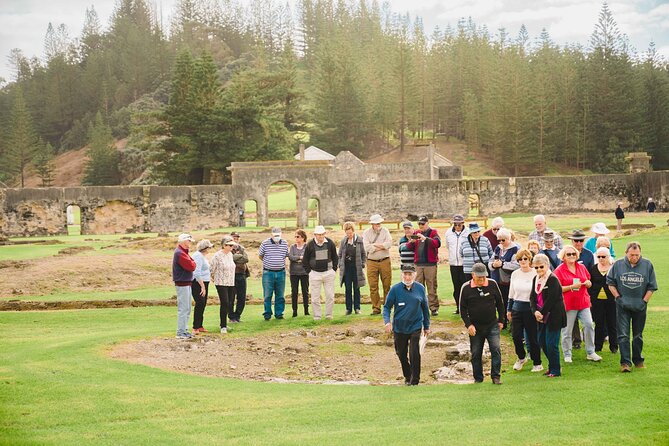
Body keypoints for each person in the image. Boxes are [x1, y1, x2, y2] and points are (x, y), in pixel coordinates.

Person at [607, 242, 658, 372]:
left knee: (638, 335)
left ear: (640, 253)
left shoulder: (647, 265)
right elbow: (610, 283)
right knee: (623, 335)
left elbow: (652, 286)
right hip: (623, 306)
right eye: (631, 255)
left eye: (637, 255)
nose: (634, 257)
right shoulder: (618, 265)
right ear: (626, 253)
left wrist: (644, 301)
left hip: (640, 306)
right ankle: (625, 363)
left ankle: (638, 360)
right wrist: (618, 298)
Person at [383, 264, 431, 386]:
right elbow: (387, 307)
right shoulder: (395, 289)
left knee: (414, 353)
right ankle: (407, 375)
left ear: (414, 275)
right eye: (405, 274)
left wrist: (426, 326)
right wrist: (387, 322)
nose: (407, 277)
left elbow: (425, 308)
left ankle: (415, 380)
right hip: (399, 327)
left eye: (410, 274)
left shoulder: (420, 288)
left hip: (415, 326)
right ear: (402, 275)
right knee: (401, 353)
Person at [553, 245, 602, 362]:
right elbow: (556, 288)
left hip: (583, 302)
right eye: (568, 254)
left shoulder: (581, 267)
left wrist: (588, 283)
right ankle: (567, 354)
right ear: (563, 256)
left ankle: (591, 352)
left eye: (573, 254)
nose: (571, 256)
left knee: (589, 324)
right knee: (567, 330)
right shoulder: (559, 270)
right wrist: (571, 287)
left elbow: (588, 279)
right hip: (568, 304)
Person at [459, 263, 505, 384]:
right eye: (479, 277)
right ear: (473, 275)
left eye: (484, 277)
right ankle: (478, 378)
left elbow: (500, 303)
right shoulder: (466, 288)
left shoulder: (492, 284)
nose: (482, 279)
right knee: (475, 353)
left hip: (492, 324)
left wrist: (501, 320)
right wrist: (469, 325)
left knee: (495, 349)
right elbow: (462, 310)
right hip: (476, 327)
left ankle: (496, 377)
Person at [530, 253, 567, 377]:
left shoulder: (552, 279)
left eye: (541, 267)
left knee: (551, 344)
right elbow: (532, 297)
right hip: (541, 316)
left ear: (547, 265)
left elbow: (551, 299)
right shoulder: (535, 279)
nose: (539, 270)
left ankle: (556, 370)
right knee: (542, 342)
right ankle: (552, 366)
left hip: (554, 316)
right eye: (536, 267)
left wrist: (541, 312)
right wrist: (535, 311)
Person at [507, 249, 543, 373]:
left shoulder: (535, 273)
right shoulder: (515, 274)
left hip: (530, 308)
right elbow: (511, 293)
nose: (523, 261)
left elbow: (538, 293)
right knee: (516, 336)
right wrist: (509, 309)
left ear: (529, 260)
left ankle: (537, 362)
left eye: (525, 259)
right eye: (520, 259)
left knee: (532, 338)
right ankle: (521, 357)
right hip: (517, 307)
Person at [405, 215, 441, 316]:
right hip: (418, 264)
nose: (421, 225)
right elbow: (409, 247)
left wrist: (425, 239)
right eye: (419, 224)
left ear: (427, 223)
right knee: (417, 286)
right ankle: (418, 307)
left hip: (430, 264)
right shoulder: (416, 233)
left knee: (431, 286)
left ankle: (433, 308)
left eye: (423, 224)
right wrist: (411, 242)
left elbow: (437, 243)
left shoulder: (433, 232)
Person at [303, 225, 338, 320]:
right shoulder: (310, 244)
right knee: (315, 297)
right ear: (315, 235)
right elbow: (305, 260)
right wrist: (309, 272)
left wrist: (334, 270)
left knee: (330, 296)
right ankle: (317, 316)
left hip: (328, 273)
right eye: (319, 235)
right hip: (315, 273)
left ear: (325, 234)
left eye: (322, 234)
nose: (321, 237)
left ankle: (329, 315)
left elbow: (335, 257)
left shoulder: (330, 243)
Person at [488, 228, 520, 328]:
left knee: (508, 301)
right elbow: (490, 261)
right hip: (497, 279)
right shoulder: (498, 248)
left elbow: (516, 265)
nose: (501, 242)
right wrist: (493, 265)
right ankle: (501, 320)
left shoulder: (515, 249)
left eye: (503, 240)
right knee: (498, 301)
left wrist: (502, 264)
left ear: (508, 238)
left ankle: (510, 321)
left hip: (508, 280)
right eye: (499, 240)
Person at [589, 247, 617, 354]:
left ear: (608, 256)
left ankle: (614, 346)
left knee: (612, 323)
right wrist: (591, 298)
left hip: (611, 300)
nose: (601, 259)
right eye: (599, 257)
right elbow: (590, 285)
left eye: (603, 257)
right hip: (597, 301)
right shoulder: (593, 268)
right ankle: (598, 346)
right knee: (599, 323)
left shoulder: (613, 268)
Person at [362, 214, 392, 315]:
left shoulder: (385, 231)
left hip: (384, 260)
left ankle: (387, 307)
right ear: (372, 224)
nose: (378, 225)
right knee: (373, 286)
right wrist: (381, 246)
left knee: (387, 285)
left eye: (379, 223)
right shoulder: (366, 233)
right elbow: (367, 247)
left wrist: (375, 246)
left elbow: (389, 244)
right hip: (372, 262)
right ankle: (376, 308)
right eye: (376, 223)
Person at [258, 227, 288, 320]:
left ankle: (279, 314)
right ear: (271, 235)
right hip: (268, 273)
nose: (277, 237)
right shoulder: (265, 243)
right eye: (275, 236)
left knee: (280, 295)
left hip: (281, 272)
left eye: (278, 235)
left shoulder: (285, 243)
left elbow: (286, 255)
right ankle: (267, 314)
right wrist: (269, 262)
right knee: (267, 294)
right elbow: (260, 255)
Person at [210, 236, 237, 334]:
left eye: (232, 245)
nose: (231, 247)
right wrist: (214, 278)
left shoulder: (230, 255)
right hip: (221, 282)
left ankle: (224, 323)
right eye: (230, 245)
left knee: (230, 303)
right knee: (224, 302)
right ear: (224, 245)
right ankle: (223, 326)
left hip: (230, 282)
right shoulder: (217, 256)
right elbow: (211, 268)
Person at [338, 222, 367, 315]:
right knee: (348, 288)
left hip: (356, 267)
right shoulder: (343, 241)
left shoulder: (359, 240)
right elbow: (339, 255)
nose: (349, 235)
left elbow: (363, 254)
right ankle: (348, 309)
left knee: (356, 288)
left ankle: (357, 308)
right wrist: (340, 264)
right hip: (347, 268)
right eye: (347, 233)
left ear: (353, 231)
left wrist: (362, 263)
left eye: (350, 233)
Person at [173, 233, 197, 339]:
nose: (190, 243)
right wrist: (193, 263)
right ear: (184, 241)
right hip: (182, 282)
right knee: (183, 308)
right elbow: (191, 266)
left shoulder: (183, 252)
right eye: (189, 241)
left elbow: (192, 263)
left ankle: (184, 330)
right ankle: (181, 331)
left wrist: (192, 263)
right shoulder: (180, 253)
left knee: (187, 308)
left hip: (186, 282)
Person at [445, 214, 469, 314]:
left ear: (463, 223)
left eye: (460, 224)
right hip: (454, 264)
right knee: (456, 287)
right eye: (456, 224)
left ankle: (467, 308)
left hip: (465, 264)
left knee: (465, 286)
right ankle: (458, 307)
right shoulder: (448, 233)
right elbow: (448, 246)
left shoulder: (468, 232)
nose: (458, 227)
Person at [192, 239, 213, 333]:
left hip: (205, 281)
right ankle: (195, 327)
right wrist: (202, 286)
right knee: (199, 303)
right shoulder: (198, 256)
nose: (210, 249)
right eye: (209, 247)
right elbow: (197, 272)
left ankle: (200, 325)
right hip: (198, 283)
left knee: (203, 304)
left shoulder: (203, 257)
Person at [288, 229, 310, 317]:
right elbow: (291, 257)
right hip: (294, 273)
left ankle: (306, 310)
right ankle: (294, 311)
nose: (296, 238)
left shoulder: (307, 247)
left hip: (304, 272)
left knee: (305, 291)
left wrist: (299, 258)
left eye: (298, 237)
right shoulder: (293, 247)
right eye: (295, 236)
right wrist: (300, 257)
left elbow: (307, 258)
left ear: (303, 238)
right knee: (294, 292)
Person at [229, 232, 249, 323]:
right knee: (231, 297)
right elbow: (230, 258)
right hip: (231, 275)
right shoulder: (228, 248)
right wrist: (238, 257)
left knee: (242, 297)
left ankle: (237, 315)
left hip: (241, 274)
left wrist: (236, 257)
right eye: (234, 238)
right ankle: (231, 316)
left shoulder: (242, 248)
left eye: (237, 238)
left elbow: (246, 259)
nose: (236, 239)